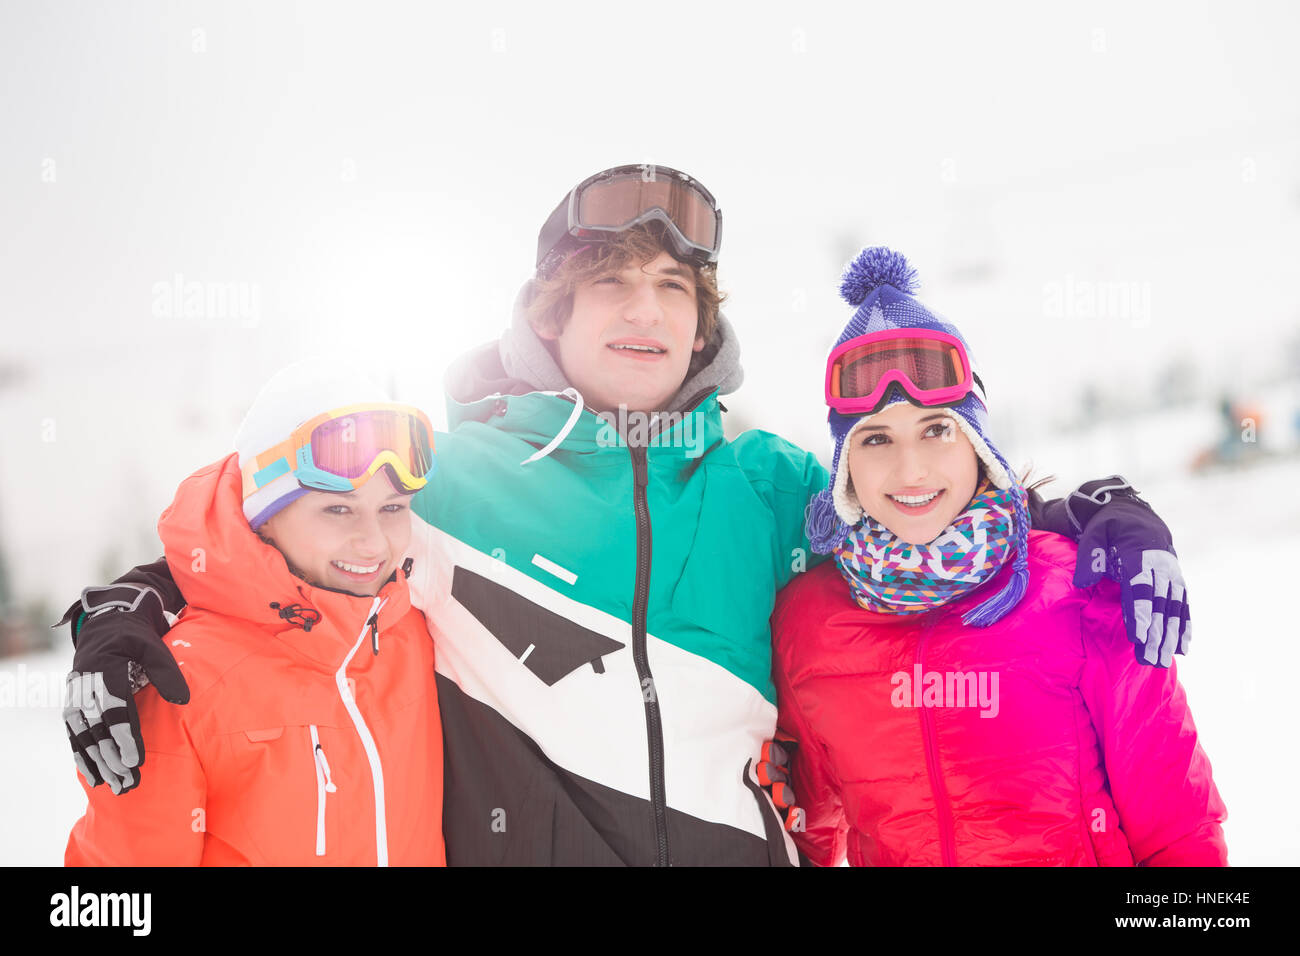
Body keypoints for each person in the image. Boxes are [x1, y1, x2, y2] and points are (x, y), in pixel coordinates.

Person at [60, 166, 1193, 866]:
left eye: (673, 288)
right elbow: (280, 514)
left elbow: (918, 490)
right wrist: (130, 606)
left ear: (704, 324)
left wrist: (1097, 511)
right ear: (551, 313)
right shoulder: (445, 477)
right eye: (611, 282)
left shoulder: (772, 481)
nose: (644, 312)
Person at [767, 248, 1226, 866]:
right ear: (846, 469)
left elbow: (1180, 833)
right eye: (876, 440)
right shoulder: (809, 624)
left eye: (937, 430)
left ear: (979, 445)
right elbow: (811, 838)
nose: (910, 469)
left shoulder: (1082, 588)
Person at [65, 361, 445, 865]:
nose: (374, 542)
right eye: (337, 509)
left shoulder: (421, 628)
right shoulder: (179, 682)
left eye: (393, 509)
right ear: (262, 518)